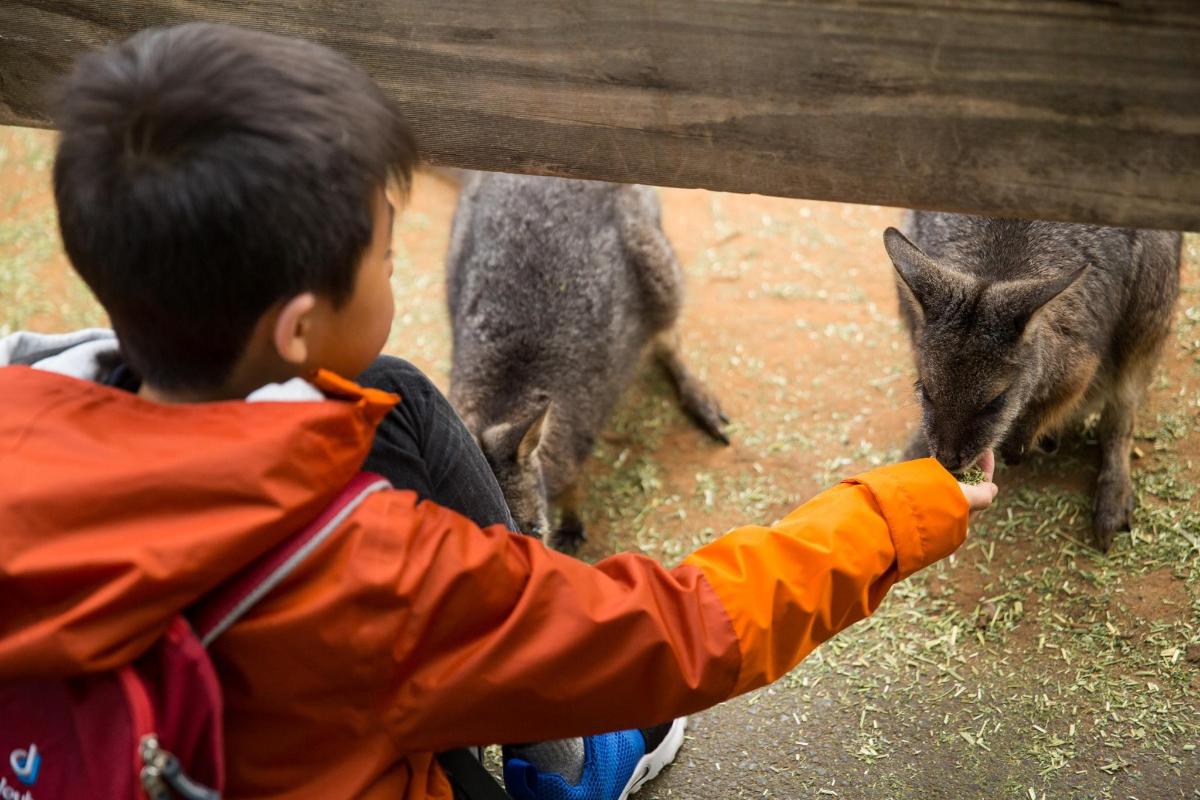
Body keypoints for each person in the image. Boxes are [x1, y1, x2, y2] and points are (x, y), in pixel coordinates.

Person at [0, 22, 998, 800]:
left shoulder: (20, 406)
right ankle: (559, 769)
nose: (400, 267)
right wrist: (894, 512)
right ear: (298, 327)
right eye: (386, 256)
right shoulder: (374, 577)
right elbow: (676, 631)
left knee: (393, 394)